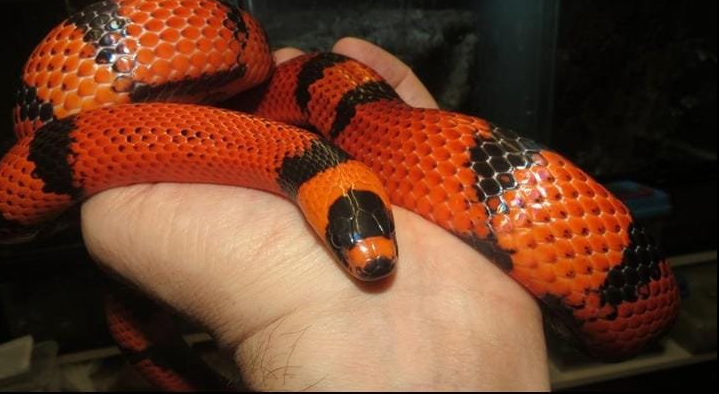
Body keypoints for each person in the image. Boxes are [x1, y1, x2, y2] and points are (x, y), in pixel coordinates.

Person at [81, 37, 550, 391]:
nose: (369, 258)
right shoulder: (291, 156)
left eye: (383, 228)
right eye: (339, 241)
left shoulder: (307, 155)